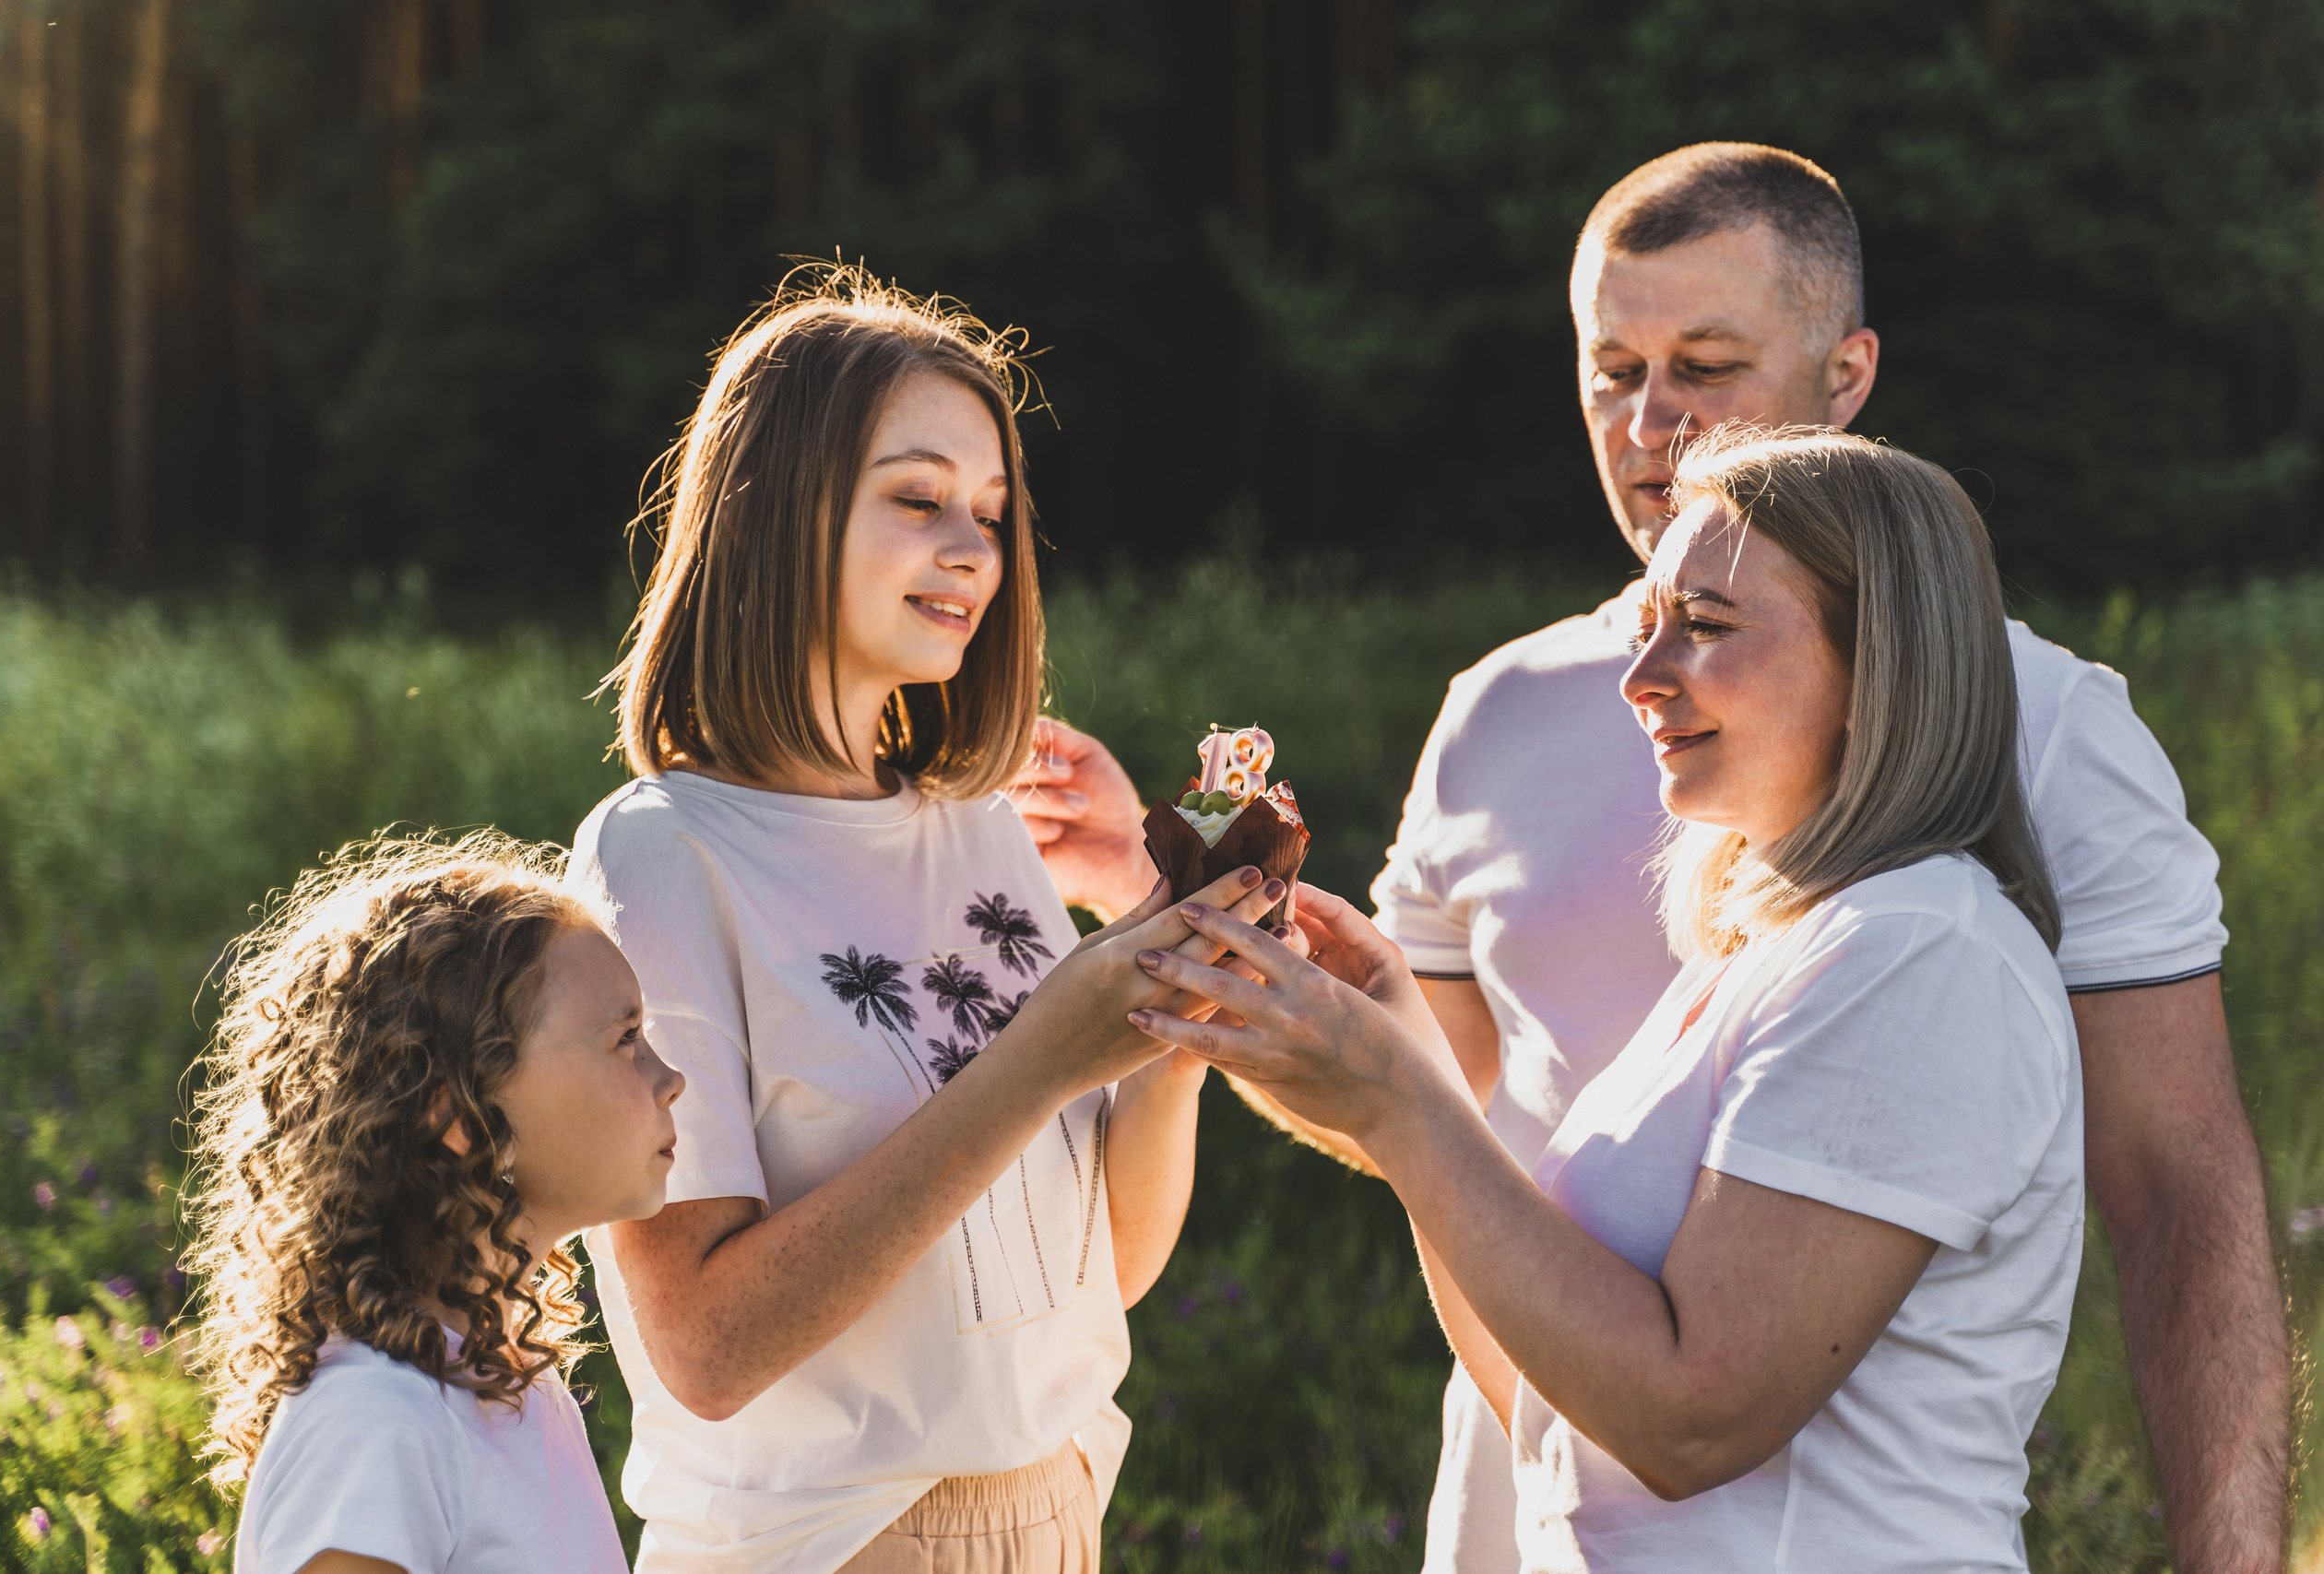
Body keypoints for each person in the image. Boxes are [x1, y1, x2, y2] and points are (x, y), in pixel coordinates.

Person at [1015, 145, 2287, 1573]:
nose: (1652, 420)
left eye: (1708, 364)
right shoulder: (1542, 743)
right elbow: (1456, 1126)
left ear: (1848, 374)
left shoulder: (2016, 776)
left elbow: (2176, 1181)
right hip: (1544, 1474)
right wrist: (1177, 908)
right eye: (1614, 370)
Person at [1133, 427, 2085, 1569]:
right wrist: (1402, 1056)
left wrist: (1396, 1101)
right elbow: (1554, 1407)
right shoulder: (1762, 955)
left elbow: (1690, 1423)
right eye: (1648, 628)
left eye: (1707, 626)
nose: (1639, 681)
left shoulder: (1918, 952)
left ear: (1880, 659)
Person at [569, 267, 1281, 1574]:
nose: (974, 550)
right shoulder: (664, 852)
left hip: (1057, 1511)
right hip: (827, 1543)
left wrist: (1173, 1023)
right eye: (917, 498)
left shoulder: (982, 825)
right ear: (772, 511)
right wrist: (1041, 1058)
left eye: (992, 513)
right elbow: (706, 1349)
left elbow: (1099, 1267)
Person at [184, 831, 686, 1574]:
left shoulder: (514, 1390)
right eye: (626, 1037)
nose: (670, 1078)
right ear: (463, 1117)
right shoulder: (374, 1421)